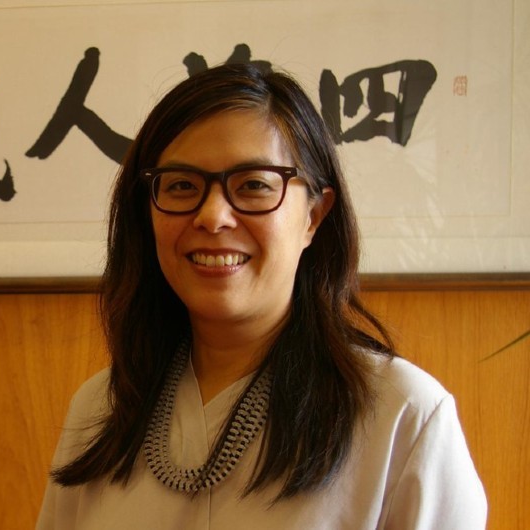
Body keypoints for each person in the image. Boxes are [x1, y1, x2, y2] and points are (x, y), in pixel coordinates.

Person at [36, 62, 486, 529]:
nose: (213, 217)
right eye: (182, 186)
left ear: (314, 215)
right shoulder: (101, 408)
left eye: (253, 185)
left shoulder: (403, 416)